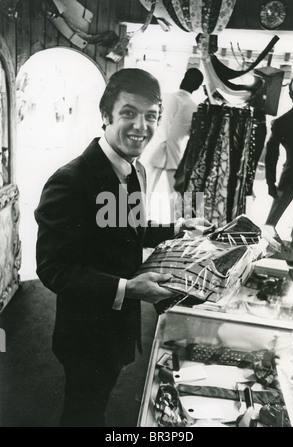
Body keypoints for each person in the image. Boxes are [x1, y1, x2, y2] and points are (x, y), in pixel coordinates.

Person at [34, 68, 205, 427]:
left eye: (151, 116)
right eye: (129, 113)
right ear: (106, 115)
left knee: (99, 400)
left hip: (118, 327)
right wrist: (128, 289)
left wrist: (176, 227)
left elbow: (130, 228)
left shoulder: (135, 169)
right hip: (84, 333)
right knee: (83, 412)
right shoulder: (70, 181)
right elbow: (54, 269)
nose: (141, 126)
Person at [140, 68, 204, 197]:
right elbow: (191, 134)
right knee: (177, 197)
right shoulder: (195, 109)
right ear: (197, 87)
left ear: (183, 78)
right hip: (175, 154)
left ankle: (138, 216)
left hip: (155, 149)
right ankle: (178, 218)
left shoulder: (164, 98)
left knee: (144, 191)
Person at [265, 76, 293, 283]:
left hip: (288, 178)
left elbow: (272, 156)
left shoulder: (281, 122)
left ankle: (289, 260)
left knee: (270, 225)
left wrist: (270, 183)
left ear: (291, 94)